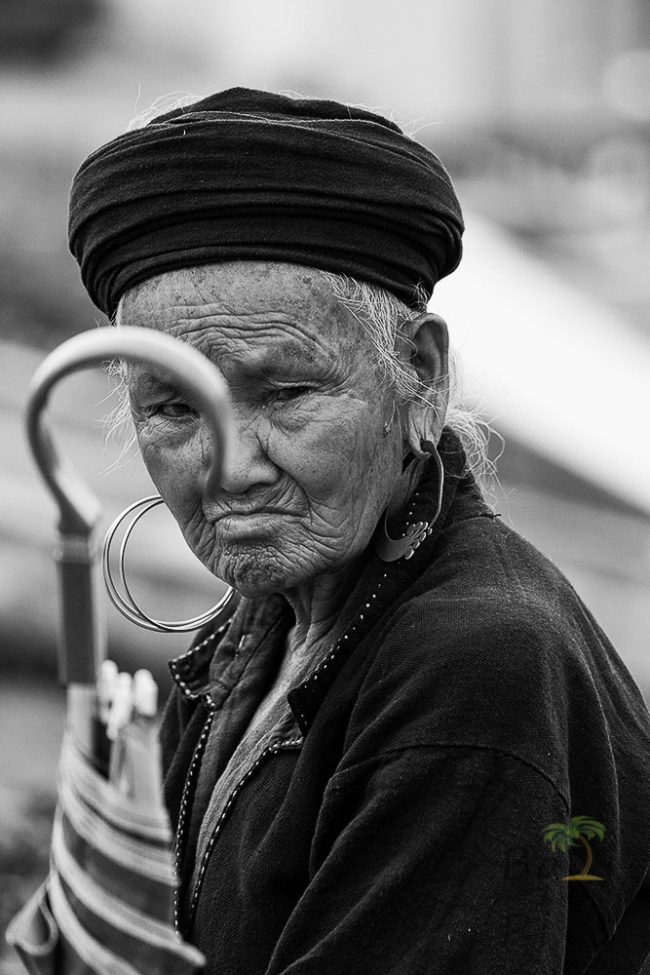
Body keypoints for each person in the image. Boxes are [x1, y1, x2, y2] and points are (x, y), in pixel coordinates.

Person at [67, 87, 650, 974]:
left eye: (287, 393)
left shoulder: (476, 669)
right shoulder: (262, 624)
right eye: (175, 407)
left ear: (419, 374)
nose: (230, 465)